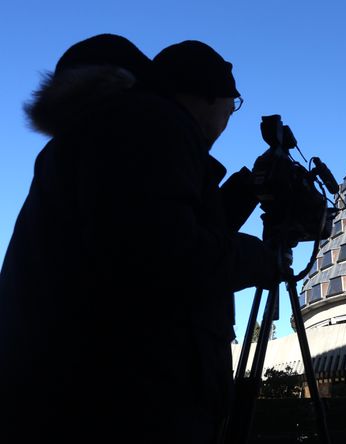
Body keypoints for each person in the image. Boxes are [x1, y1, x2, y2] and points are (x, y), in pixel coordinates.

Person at [0, 36, 274, 444]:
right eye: (231, 105)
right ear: (209, 96)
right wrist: (261, 258)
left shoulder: (101, 133)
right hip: (129, 404)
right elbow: (163, 256)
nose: (229, 118)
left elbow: (138, 227)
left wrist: (244, 192)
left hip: (66, 395)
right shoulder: (151, 124)